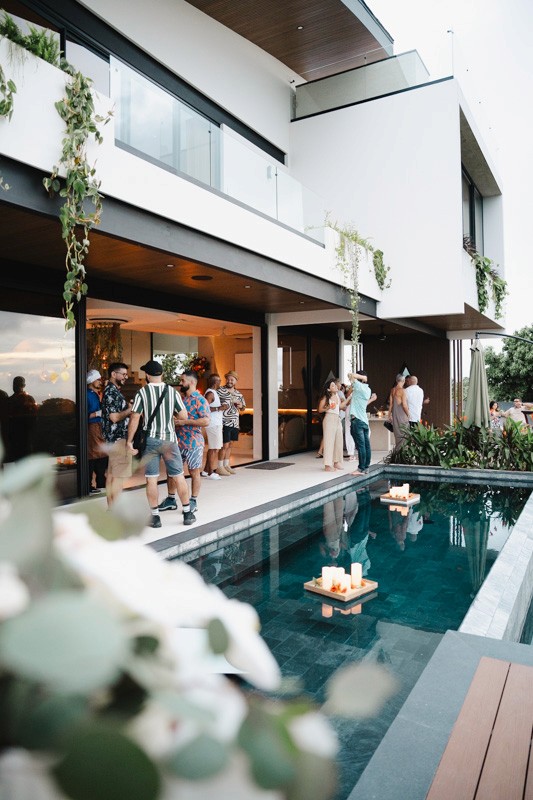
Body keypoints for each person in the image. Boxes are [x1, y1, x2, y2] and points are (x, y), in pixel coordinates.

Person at [127, 360, 195, 529]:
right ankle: (187, 513)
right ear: (162, 374)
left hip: (150, 440)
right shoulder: (172, 393)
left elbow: (135, 417)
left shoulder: (142, 393)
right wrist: (172, 419)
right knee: (179, 475)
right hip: (170, 440)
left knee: (151, 479)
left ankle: (155, 517)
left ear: (148, 375)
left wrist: (129, 441)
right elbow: (184, 415)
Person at [159, 370, 210, 514]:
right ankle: (170, 499)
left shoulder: (200, 400)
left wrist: (184, 422)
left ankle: (193, 500)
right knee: (172, 472)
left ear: (192, 382)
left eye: (182, 381)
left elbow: (206, 421)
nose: (180, 383)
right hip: (178, 442)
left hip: (194, 442)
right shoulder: (181, 399)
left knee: (194, 472)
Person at [101, 362, 133, 506]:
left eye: (126, 374)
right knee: (118, 476)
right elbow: (114, 417)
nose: (125, 377)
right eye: (123, 374)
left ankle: (111, 509)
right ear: (114, 374)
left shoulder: (112, 391)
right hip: (117, 439)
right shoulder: (111, 392)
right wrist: (129, 410)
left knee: (112, 475)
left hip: (114, 439)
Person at [217, 370, 246, 475]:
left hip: (235, 422)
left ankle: (226, 465)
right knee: (224, 445)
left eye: (232, 379)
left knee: (230, 445)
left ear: (235, 381)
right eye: (228, 379)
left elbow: (243, 408)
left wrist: (240, 406)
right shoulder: (220, 390)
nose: (229, 381)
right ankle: (219, 467)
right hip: (224, 422)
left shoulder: (239, 394)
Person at [5, 375, 37, 462]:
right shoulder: (10, 400)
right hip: (16, 436)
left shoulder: (11, 400)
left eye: (18, 384)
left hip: (23, 436)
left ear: (23, 386)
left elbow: (33, 417)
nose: (15, 386)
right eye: (15, 384)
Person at [201, 373, 227, 480]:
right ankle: (211, 472)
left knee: (214, 447)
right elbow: (204, 408)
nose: (220, 382)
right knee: (214, 449)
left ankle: (206, 471)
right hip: (213, 424)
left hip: (216, 423)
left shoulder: (214, 393)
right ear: (215, 382)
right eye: (219, 380)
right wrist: (219, 408)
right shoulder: (210, 393)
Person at [317, 379, 346, 472]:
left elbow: (341, 407)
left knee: (338, 440)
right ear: (329, 389)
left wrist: (349, 399)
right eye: (333, 385)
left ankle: (336, 462)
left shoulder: (337, 395)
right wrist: (329, 407)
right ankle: (327, 465)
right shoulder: (326, 397)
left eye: (335, 385)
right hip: (329, 418)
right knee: (329, 442)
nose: (336, 386)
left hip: (337, 419)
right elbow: (320, 409)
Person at [86, 369, 107, 494]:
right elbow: (87, 415)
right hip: (93, 427)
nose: (100, 382)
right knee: (94, 455)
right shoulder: (88, 395)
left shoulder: (94, 394)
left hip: (98, 426)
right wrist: (99, 413)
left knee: (101, 454)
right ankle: (91, 485)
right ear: (92, 381)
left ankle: (100, 483)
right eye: (98, 380)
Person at [348, 370, 372, 475]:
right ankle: (366, 467)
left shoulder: (358, 387)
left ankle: (360, 468)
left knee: (361, 445)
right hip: (364, 421)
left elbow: (350, 375)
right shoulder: (368, 389)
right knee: (366, 445)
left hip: (357, 420)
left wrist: (360, 377)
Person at [388, 373, 410, 447]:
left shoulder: (392, 390)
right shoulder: (403, 391)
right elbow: (404, 405)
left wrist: (389, 415)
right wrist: (408, 414)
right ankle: (403, 455)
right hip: (402, 416)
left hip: (395, 415)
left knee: (397, 436)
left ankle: (397, 455)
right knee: (404, 435)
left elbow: (391, 404)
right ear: (403, 380)